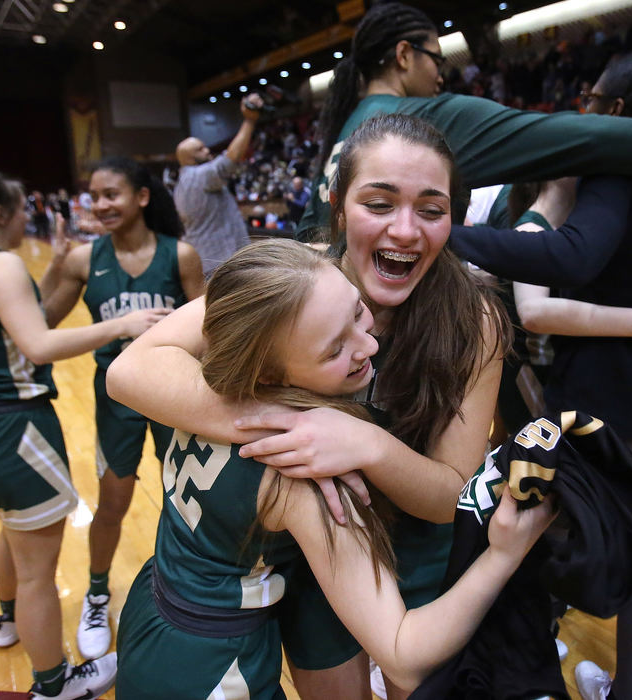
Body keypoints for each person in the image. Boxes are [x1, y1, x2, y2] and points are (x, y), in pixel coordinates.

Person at [109, 112, 515, 700]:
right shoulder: (299, 279)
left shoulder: (476, 319)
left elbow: (450, 493)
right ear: (338, 205)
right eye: (379, 203)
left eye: (432, 209)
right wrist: (296, 425)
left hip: (416, 550)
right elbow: (132, 369)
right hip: (308, 547)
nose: (406, 230)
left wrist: (367, 443)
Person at [455, 47, 632, 700]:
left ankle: (526, 684)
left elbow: (571, 259)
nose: (584, 115)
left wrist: (445, 236)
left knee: (542, 550)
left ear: (617, 111)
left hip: (614, 410)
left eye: (593, 103)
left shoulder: (613, 171)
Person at [0, 164, 171, 698]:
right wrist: (122, 324)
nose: (28, 216)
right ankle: (55, 684)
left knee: (11, 531)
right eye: (22, 208)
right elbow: (39, 344)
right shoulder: (2, 265)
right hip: (12, 432)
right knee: (37, 572)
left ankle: (8, 622)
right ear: (1, 214)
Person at [295, 2, 632, 244]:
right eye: (436, 59)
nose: (441, 73)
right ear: (403, 55)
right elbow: (581, 137)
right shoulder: (422, 120)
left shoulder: (348, 127)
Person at [39, 156, 203, 661]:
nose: (101, 204)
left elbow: (210, 329)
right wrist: (53, 262)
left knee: (185, 501)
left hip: (174, 393)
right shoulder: (84, 260)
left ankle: (186, 596)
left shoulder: (181, 255)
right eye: (94, 195)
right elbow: (39, 323)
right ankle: (96, 592)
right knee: (112, 503)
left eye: (112, 193)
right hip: (116, 400)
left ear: (142, 197)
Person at [173, 93, 264, 278]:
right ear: (189, 158)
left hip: (205, 261)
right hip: (222, 263)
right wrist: (249, 121)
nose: (207, 150)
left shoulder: (180, 184)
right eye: (200, 149)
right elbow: (231, 159)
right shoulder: (199, 176)